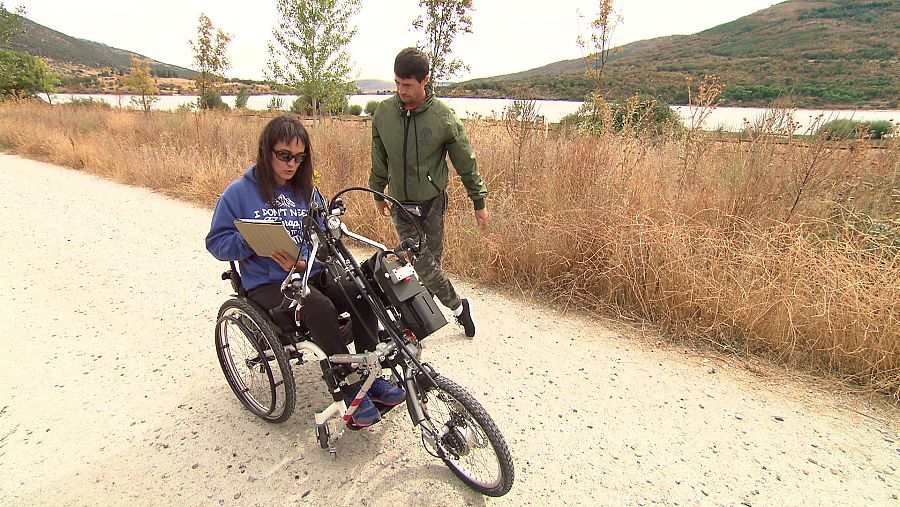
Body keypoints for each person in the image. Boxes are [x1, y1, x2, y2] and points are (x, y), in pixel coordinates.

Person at [206, 115, 404, 427]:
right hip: (269, 284)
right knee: (318, 306)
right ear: (266, 151)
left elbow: (326, 239)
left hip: (309, 271)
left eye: (299, 157)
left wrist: (308, 258)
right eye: (284, 155)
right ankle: (349, 385)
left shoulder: (307, 192)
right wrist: (253, 240)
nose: (292, 164)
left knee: (361, 291)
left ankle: (370, 376)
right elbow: (216, 244)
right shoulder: (238, 193)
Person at [370, 47, 489, 338]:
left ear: (425, 80)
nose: (401, 90)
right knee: (422, 261)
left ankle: (416, 322)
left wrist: (478, 201)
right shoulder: (384, 113)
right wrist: (377, 191)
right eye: (397, 83)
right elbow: (379, 157)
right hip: (400, 202)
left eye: (408, 85)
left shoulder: (443, 117)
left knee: (431, 265)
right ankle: (459, 308)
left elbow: (466, 161)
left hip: (432, 202)